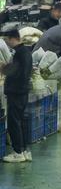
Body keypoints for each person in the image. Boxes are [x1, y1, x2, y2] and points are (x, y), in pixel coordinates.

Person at [2, 26, 32, 164]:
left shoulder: (20, 54)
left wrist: (4, 68)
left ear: (13, 38)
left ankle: (17, 152)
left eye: (7, 40)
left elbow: (16, 72)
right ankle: (25, 151)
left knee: (14, 122)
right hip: (22, 91)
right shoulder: (25, 52)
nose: (7, 43)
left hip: (17, 92)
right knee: (22, 121)